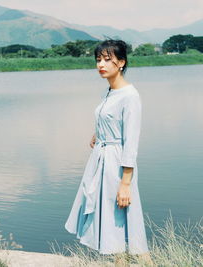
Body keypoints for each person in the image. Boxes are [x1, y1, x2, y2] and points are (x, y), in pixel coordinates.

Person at [65, 39, 153, 266]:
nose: (101, 65)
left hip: (117, 165)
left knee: (128, 222)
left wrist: (125, 183)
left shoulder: (130, 95)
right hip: (101, 162)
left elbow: (131, 142)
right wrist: (99, 134)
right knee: (113, 227)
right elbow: (109, 120)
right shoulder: (109, 92)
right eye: (98, 60)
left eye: (107, 60)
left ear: (121, 63)